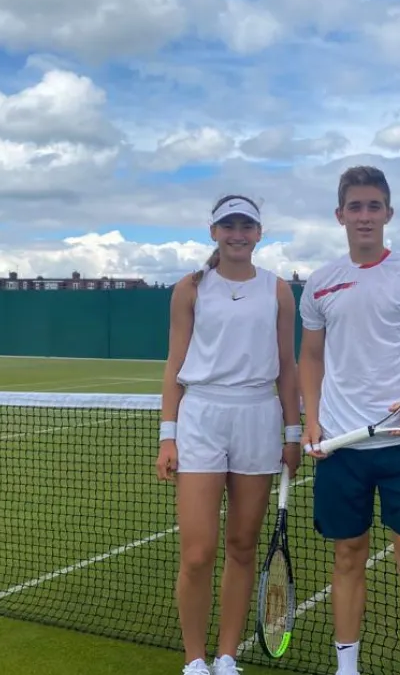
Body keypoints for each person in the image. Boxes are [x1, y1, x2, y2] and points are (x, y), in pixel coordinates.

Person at [298, 166, 400, 675]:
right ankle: (348, 668)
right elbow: (312, 358)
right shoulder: (319, 284)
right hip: (342, 446)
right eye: (355, 207)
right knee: (347, 555)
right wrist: (313, 420)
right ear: (339, 215)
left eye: (374, 206)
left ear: (388, 213)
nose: (364, 216)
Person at [157, 194, 303, 675]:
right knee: (198, 553)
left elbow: (287, 363)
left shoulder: (278, 289)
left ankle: (226, 657)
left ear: (259, 233)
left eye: (246, 225)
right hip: (201, 418)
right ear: (213, 231)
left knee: (242, 546)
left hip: (258, 419)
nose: (238, 233)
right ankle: (194, 660)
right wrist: (168, 435)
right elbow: (175, 364)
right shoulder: (191, 288)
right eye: (228, 225)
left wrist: (292, 431)